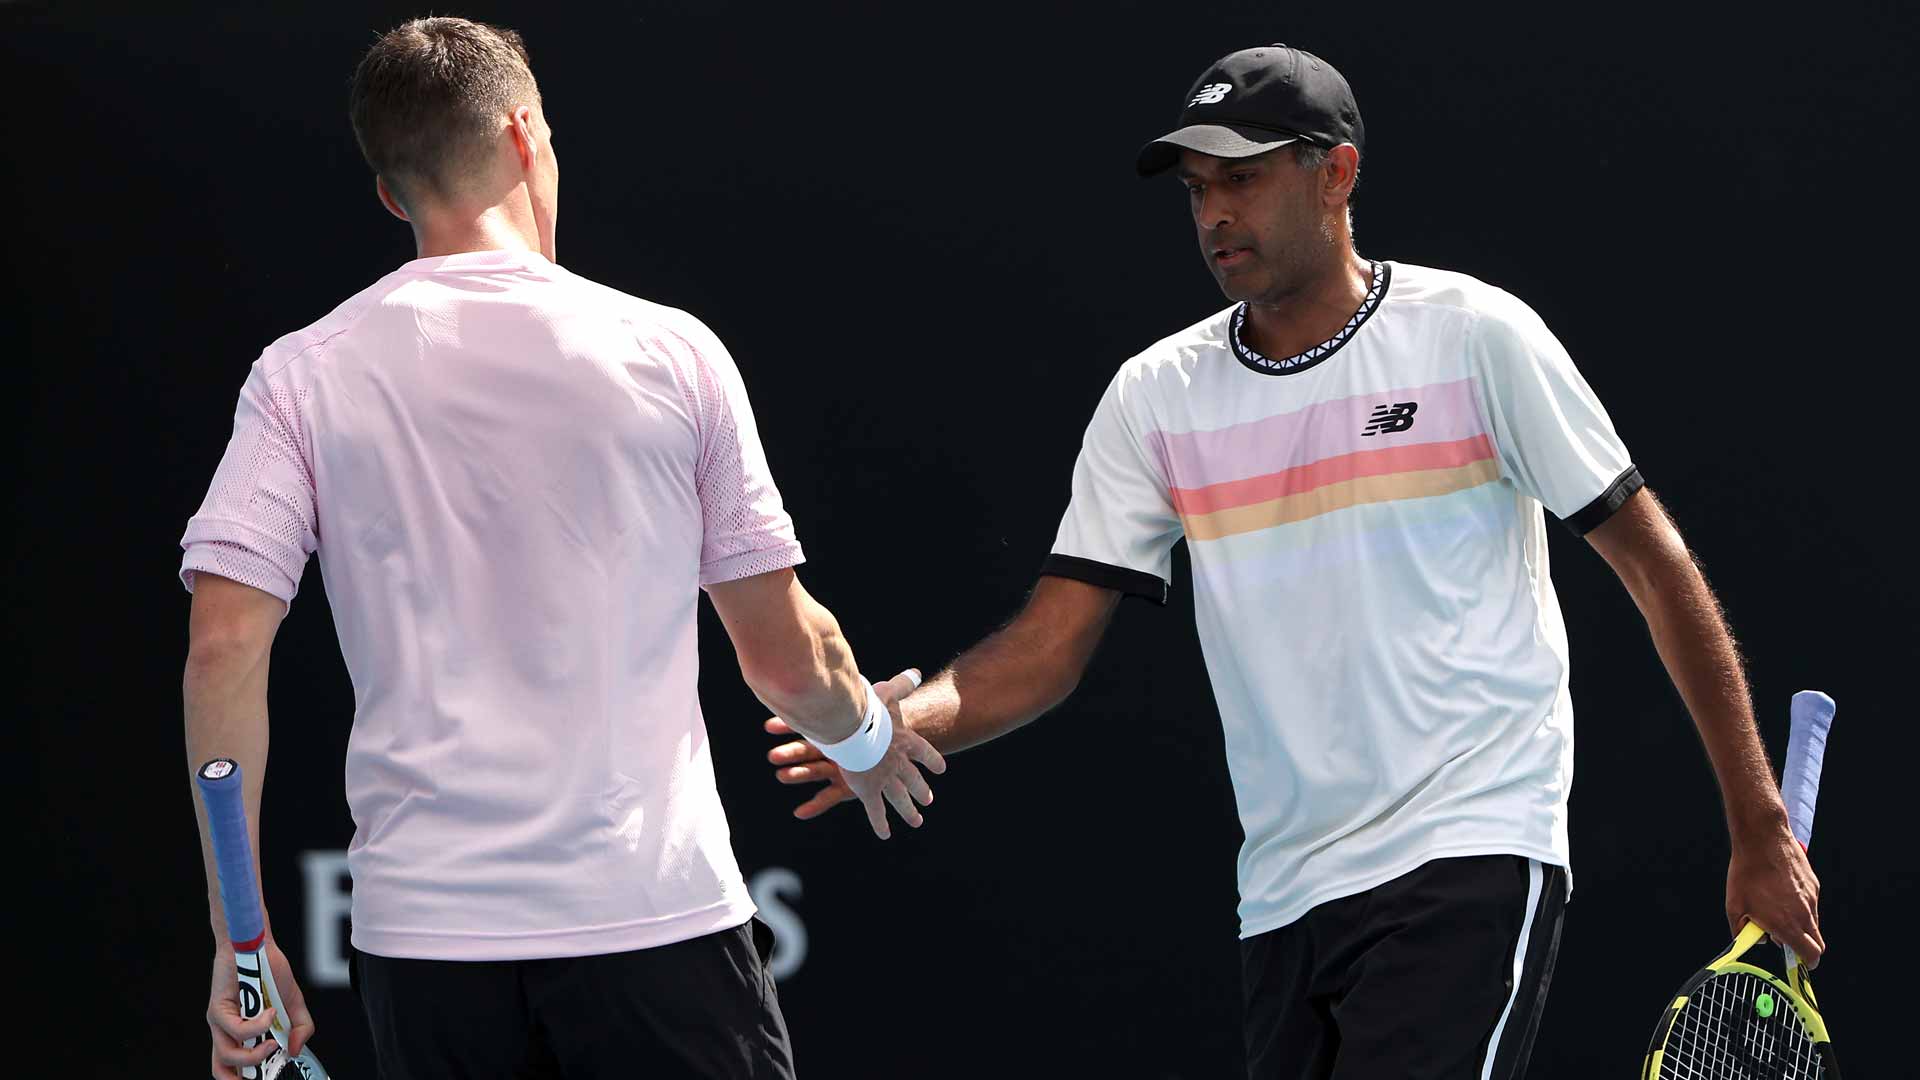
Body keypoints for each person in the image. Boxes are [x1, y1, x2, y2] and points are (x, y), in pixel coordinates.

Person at [767, 43, 1823, 1077]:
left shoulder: (1475, 336)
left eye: (1242, 179)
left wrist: (1759, 826)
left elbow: (1653, 564)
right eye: (1196, 190)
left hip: (1470, 845)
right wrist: (893, 726)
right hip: (1284, 895)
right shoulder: (1156, 398)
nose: (1215, 214)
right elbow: (1048, 645)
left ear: (1337, 174)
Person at [179, 16, 943, 1079]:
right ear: (526, 134)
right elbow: (785, 659)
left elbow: (221, 649)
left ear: (393, 195)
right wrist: (866, 739)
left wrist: (244, 942)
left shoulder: (302, 376)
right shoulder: (670, 352)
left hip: (426, 945)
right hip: (652, 921)